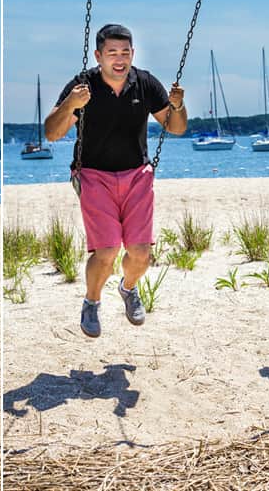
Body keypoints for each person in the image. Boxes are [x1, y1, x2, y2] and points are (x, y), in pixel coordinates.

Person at [44, 23, 187, 338]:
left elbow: (175, 128)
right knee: (107, 250)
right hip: (93, 174)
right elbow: (52, 133)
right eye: (112, 53)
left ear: (133, 53)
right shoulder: (82, 86)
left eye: (125, 52)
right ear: (98, 55)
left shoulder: (146, 83)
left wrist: (177, 104)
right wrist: (71, 104)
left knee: (140, 253)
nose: (119, 59)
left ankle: (129, 288)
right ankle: (91, 302)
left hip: (137, 174)